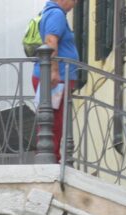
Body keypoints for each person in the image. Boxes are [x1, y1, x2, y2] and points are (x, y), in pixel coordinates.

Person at [32, 0, 79, 163]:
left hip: (52, 76)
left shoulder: (50, 12)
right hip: (53, 78)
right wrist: (54, 71)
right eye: (74, 0)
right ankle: (51, 159)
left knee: (51, 118)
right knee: (53, 120)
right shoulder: (56, 14)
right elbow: (51, 42)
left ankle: (51, 157)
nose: (74, 5)